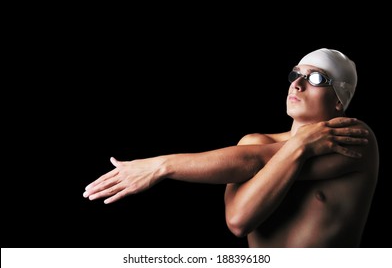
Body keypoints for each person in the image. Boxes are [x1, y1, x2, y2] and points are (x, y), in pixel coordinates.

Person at [83, 48, 379, 247]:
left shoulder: (355, 137)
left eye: (316, 78)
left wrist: (163, 166)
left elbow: (254, 162)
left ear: (340, 99)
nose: (297, 85)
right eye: (296, 74)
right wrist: (300, 143)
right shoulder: (253, 143)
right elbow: (239, 220)